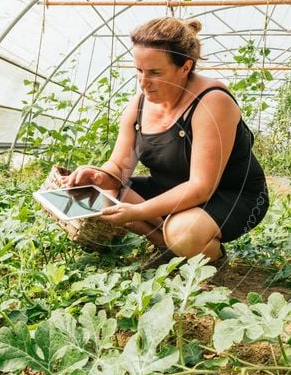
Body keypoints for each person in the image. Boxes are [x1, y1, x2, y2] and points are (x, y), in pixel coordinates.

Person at [65, 17, 269, 261]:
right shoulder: (138, 105)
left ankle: (207, 254)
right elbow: (120, 166)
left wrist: (138, 211)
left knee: (183, 232)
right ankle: (168, 247)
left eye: (155, 73)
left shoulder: (212, 102)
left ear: (185, 67)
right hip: (172, 188)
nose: (143, 83)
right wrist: (99, 175)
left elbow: (200, 187)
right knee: (104, 192)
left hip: (229, 195)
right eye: (139, 71)